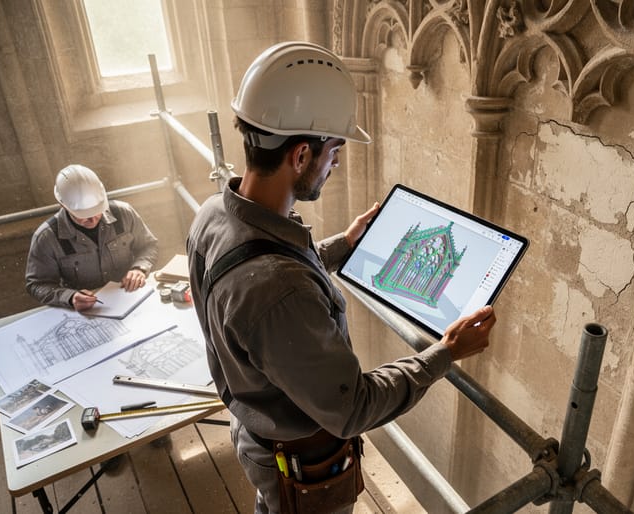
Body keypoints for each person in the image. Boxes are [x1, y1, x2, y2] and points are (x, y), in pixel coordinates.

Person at [186, 41, 496, 514]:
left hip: (256, 437)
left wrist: (341, 245)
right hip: (299, 468)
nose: (336, 164)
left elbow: (265, 268)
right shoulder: (277, 290)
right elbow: (354, 408)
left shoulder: (213, 215)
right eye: (335, 149)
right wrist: (446, 353)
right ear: (302, 154)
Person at [25, 164, 158, 311]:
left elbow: (149, 245)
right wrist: (69, 297)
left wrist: (140, 268)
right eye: (83, 215)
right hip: (89, 310)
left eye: (97, 210)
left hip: (132, 299)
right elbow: (37, 284)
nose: (93, 219)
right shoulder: (47, 238)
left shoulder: (124, 213)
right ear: (62, 204)